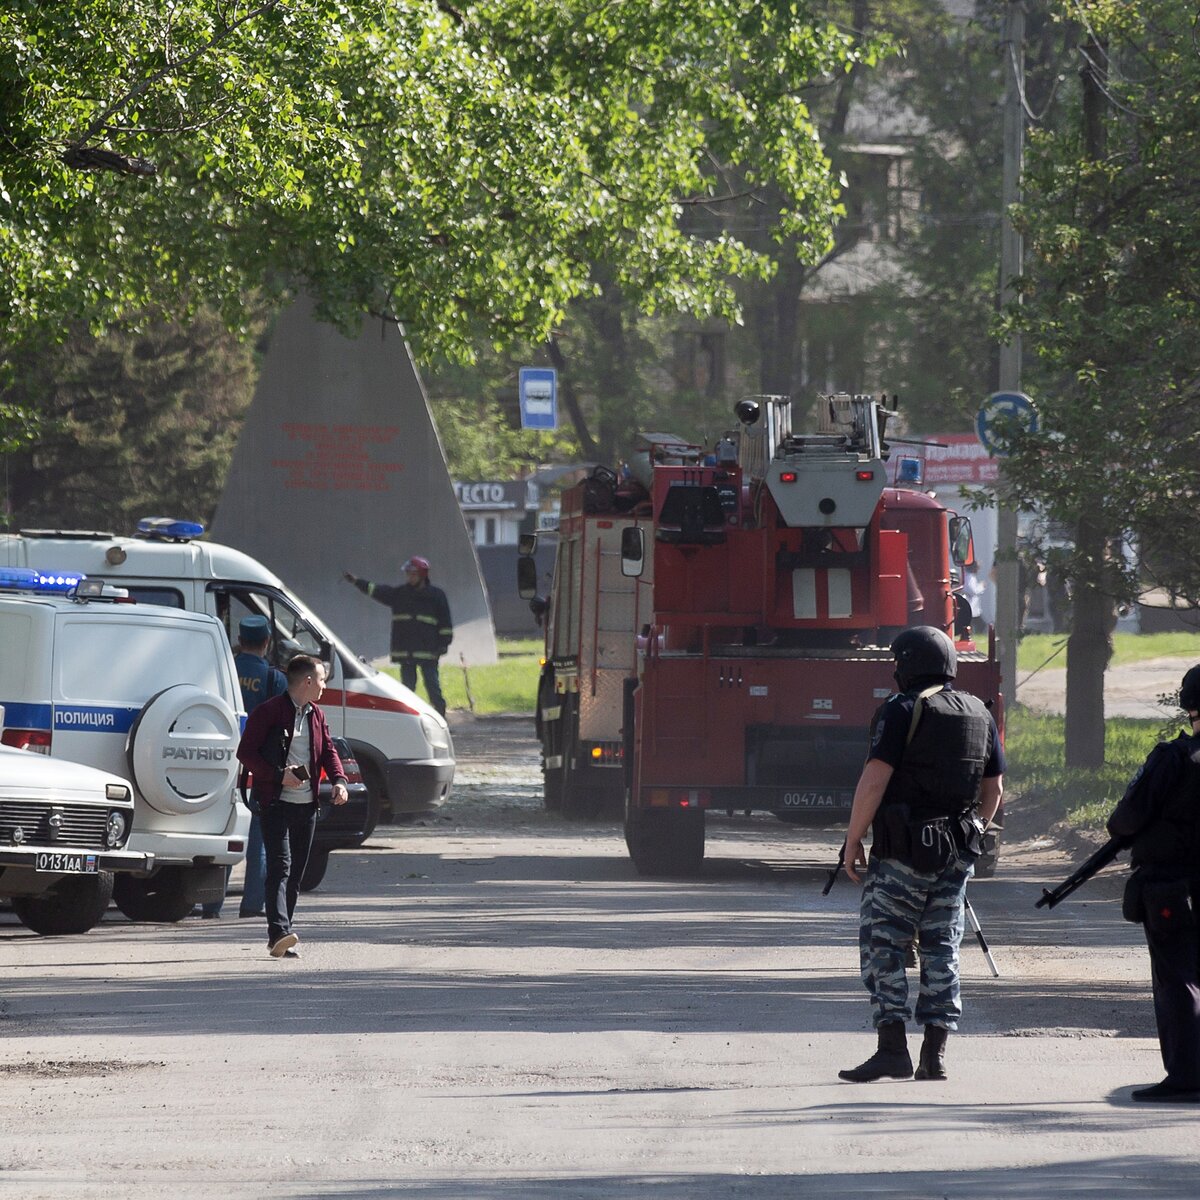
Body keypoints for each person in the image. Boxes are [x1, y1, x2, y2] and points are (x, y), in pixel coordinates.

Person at [838, 626, 1005, 1083]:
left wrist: (853, 840)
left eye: (898, 660)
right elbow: (994, 789)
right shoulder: (978, 712)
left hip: (902, 855)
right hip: (955, 857)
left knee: (883, 945)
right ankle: (935, 1055)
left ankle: (893, 1049)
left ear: (909, 663)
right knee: (941, 948)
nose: (893, 669)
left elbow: (875, 778)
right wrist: (974, 833)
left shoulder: (900, 710)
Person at [1105, 665, 1200, 1103]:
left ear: (1188, 705)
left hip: (1173, 888)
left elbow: (1125, 819)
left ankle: (1185, 1077)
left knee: (1177, 977)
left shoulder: (1173, 758)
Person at [236, 655, 348, 958]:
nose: (325, 685)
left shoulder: (317, 715)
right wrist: (277, 776)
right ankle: (279, 933)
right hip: (276, 804)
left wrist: (339, 780)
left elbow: (327, 750)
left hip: (307, 806)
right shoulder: (269, 712)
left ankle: (284, 932)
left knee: (296, 872)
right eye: (322, 679)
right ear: (307, 681)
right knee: (280, 867)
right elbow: (245, 753)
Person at [201, 614, 288, 919]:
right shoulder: (274, 679)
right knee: (259, 838)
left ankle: (211, 905)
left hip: (222, 762)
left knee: (225, 831)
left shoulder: (220, 672)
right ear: (266, 642)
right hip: (259, 766)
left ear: (240, 640)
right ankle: (252, 905)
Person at [343, 556, 453, 716]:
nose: (409, 577)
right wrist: (356, 581)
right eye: (407, 574)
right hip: (406, 652)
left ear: (422, 575)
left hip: (428, 652)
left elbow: (445, 622)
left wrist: (443, 644)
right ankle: (408, 718)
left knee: (433, 687)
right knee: (407, 690)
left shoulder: (436, 596)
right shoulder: (399, 594)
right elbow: (377, 590)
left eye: (412, 574)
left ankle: (441, 716)